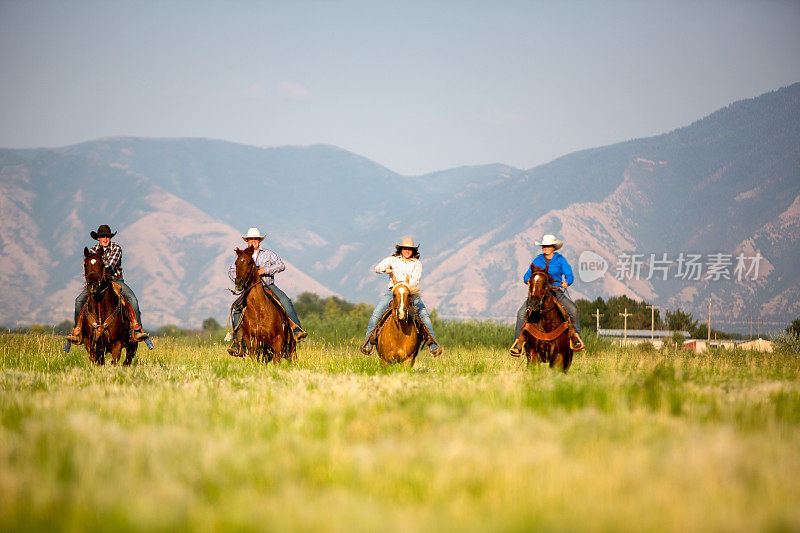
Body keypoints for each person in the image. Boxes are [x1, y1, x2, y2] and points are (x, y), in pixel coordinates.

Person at [228, 228, 306, 354]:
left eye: (256, 239)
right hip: (250, 289)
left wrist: (266, 270)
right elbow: (232, 271)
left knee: (285, 300)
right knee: (236, 308)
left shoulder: (268, 254)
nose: (253, 241)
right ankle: (238, 343)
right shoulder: (242, 256)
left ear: (259, 241)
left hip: (268, 286)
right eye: (250, 239)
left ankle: (296, 330)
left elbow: (281, 265)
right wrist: (240, 280)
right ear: (247, 241)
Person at [360, 237, 443, 356]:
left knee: (424, 315)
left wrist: (405, 287)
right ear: (401, 249)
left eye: (410, 249)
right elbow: (377, 268)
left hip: (410, 292)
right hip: (393, 292)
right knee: (376, 313)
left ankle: (432, 344)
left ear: (413, 251)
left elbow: (415, 280)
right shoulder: (392, 260)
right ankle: (368, 343)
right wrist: (386, 270)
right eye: (405, 248)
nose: (407, 251)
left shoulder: (416, 264)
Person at [66, 224, 149, 343]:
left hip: (115, 280)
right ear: (98, 238)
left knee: (132, 299)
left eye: (107, 236)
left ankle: (137, 329)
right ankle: (77, 331)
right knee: (79, 300)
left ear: (110, 238)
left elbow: (110, 265)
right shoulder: (92, 251)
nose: (105, 239)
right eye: (102, 237)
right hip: (97, 283)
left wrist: (96, 264)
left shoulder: (116, 248)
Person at [510, 233, 584, 355]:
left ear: (554, 247)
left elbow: (569, 275)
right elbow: (527, 274)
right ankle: (518, 343)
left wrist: (567, 282)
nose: (547, 248)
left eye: (549, 246)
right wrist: (528, 280)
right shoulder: (537, 260)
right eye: (544, 246)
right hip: (539, 293)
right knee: (521, 313)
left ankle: (575, 338)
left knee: (573, 310)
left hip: (555, 290)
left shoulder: (560, 260)